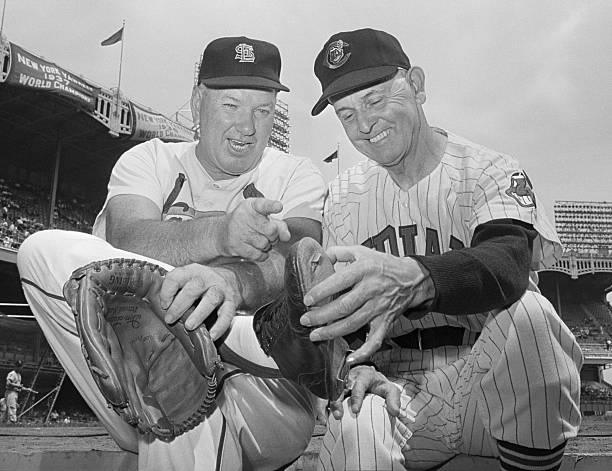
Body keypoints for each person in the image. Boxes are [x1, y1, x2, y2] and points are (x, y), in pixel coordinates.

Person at [17, 35, 326, 470]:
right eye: (231, 105)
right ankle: (176, 354)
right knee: (42, 250)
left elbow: (296, 264)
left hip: (264, 397)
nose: (248, 126)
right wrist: (221, 236)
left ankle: (186, 351)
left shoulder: (295, 174)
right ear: (198, 100)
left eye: (263, 109)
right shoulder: (151, 160)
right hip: (139, 388)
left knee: (177, 358)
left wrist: (229, 281)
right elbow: (126, 239)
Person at [300, 28, 583, 471]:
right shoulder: (343, 195)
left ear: (416, 84)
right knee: (358, 417)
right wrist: (353, 367)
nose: (364, 125)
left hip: (486, 385)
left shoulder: (487, 168)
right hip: (401, 396)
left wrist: (417, 278)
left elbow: (508, 262)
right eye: (346, 114)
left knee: (530, 313)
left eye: (375, 101)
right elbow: (343, 318)